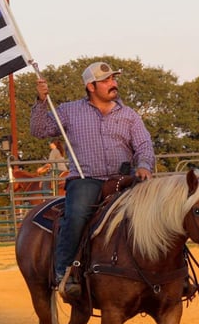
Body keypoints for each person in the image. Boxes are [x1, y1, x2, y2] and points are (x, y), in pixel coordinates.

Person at [30, 61, 155, 299]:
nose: (113, 84)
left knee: (158, 212)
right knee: (77, 214)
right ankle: (64, 271)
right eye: (107, 80)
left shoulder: (129, 115)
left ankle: (166, 273)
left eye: (113, 79)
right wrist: (41, 101)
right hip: (86, 179)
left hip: (124, 178)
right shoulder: (69, 111)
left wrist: (144, 166)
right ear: (91, 86)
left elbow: (143, 145)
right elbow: (39, 130)